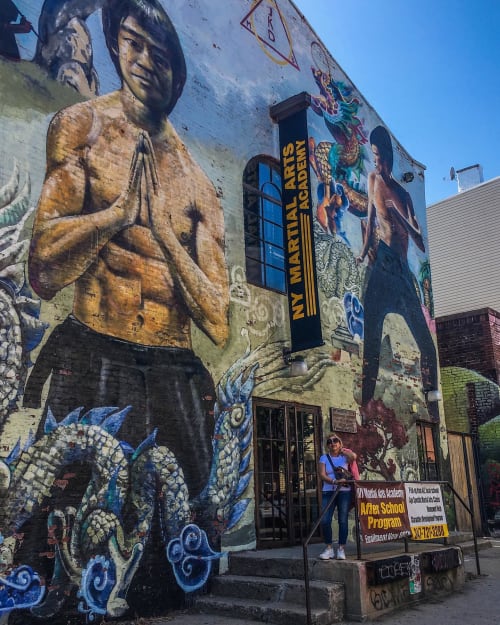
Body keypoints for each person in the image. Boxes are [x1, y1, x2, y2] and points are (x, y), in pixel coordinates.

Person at [24, 0, 229, 498]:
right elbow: (43, 272)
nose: (144, 62)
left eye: (160, 55)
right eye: (134, 44)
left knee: (183, 538)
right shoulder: (81, 128)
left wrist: (161, 231)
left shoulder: (200, 186)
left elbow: (220, 324)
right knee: (60, 517)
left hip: (173, 373)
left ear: (178, 73)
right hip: (91, 354)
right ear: (114, 44)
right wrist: (114, 216)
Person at [356, 125, 438, 416]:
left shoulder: (404, 193)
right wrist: (362, 254)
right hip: (382, 266)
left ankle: (433, 405)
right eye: (374, 157)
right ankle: (365, 410)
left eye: (380, 157)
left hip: (402, 273)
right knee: (372, 343)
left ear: (390, 158)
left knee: (428, 347)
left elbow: (419, 241)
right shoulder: (372, 179)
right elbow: (370, 224)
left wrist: (399, 213)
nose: (376, 162)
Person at [318, 433, 359, 560]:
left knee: (342, 520)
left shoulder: (344, 457)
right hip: (328, 491)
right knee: (325, 520)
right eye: (329, 442)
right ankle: (329, 548)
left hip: (344, 492)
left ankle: (341, 548)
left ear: (340, 443)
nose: (332, 443)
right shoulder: (324, 458)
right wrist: (334, 482)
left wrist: (343, 450)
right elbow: (322, 475)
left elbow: (354, 457)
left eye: (335, 440)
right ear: (327, 445)